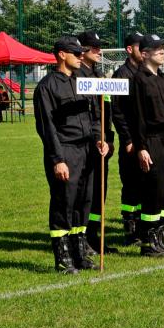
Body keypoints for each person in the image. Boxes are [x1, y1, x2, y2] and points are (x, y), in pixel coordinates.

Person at [35, 36, 109, 273]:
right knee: (63, 201)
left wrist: (99, 138)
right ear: (61, 55)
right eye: (76, 53)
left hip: (87, 149)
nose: (80, 56)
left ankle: (79, 251)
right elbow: (47, 127)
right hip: (65, 149)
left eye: (81, 52)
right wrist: (58, 160)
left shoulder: (83, 82)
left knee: (83, 201)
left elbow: (94, 114)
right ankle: (62, 256)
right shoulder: (47, 86)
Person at [130, 34, 164, 257]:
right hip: (151, 140)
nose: (162, 52)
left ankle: (160, 237)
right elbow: (137, 116)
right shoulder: (139, 80)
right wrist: (141, 147)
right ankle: (148, 242)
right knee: (152, 190)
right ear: (145, 53)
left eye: (163, 48)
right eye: (157, 49)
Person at [75, 31, 117, 254]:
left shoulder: (99, 75)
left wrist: (108, 139)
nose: (99, 51)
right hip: (86, 143)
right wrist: (97, 138)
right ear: (82, 50)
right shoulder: (77, 76)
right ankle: (82, 238)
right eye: (94, 47)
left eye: (99, 47)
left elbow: (106, 112)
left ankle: (94, 236)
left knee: (100, 193)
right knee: (85, 193)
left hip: (103, 144)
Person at [111, 32, 144, 245]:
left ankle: (143, 227)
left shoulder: (145, 72)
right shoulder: (121, 75)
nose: (145, 50)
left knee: (145, 184)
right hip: (131, 140)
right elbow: (117, 111)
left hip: (146, 140)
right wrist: (128, 139)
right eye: (141, 46)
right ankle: (131, 230)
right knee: (131, 185)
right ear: (130, 49)